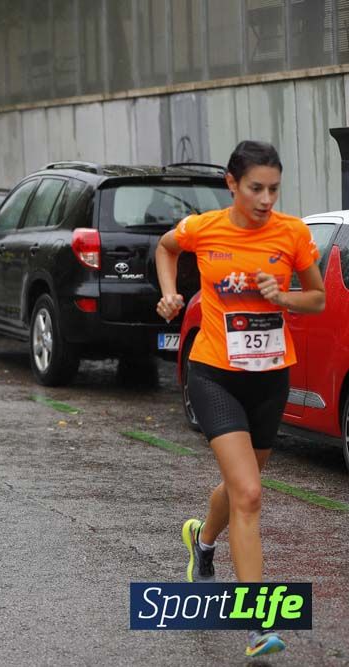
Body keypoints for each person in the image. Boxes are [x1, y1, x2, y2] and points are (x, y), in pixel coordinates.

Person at [155, 140, 324, 658]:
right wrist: (169, 293)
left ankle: (202, 543)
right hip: (214, 376)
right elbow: (166, 248)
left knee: (240, 486)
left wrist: (284, 296)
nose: (267, 198)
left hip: (270, 378)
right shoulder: (204, 227)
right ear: (232, 184)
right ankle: (256, 624)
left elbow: (315, 298)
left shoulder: (292, 234)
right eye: (256, 188)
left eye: (274, 188)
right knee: (249, 493)